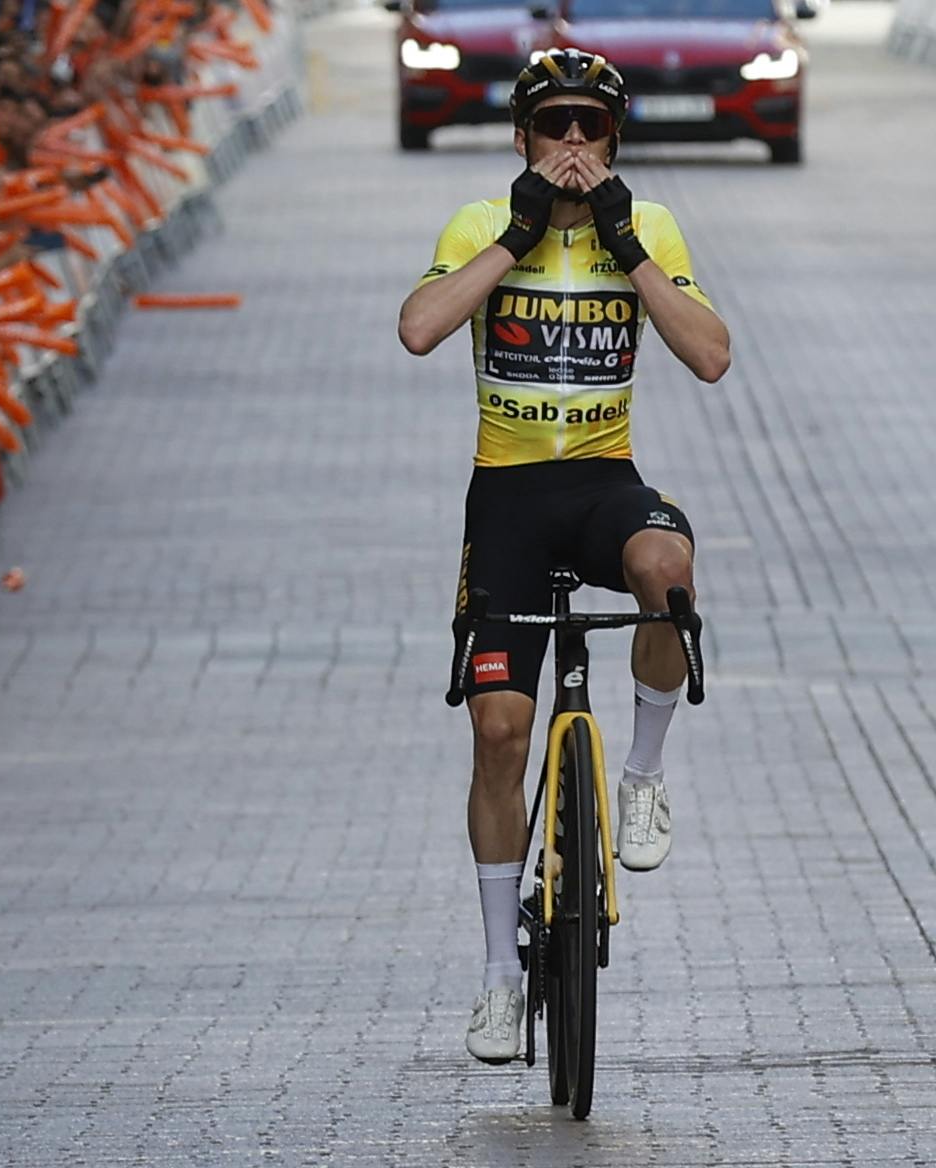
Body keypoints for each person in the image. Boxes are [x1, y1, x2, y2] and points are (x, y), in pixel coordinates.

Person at [395, 48, 730, 1066]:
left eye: (590, 128)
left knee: (666, 567)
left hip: (599, 480)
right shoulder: (478, 224)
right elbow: (416, 329)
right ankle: (500, 975)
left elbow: (710, 355)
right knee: (499, 733)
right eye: (553, 128)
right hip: (504, 494)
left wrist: (628, 246)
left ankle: (637, 775)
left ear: (614, 140)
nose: (572, 146)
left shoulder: (649, 228)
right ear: (521, 139)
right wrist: (517, 236)